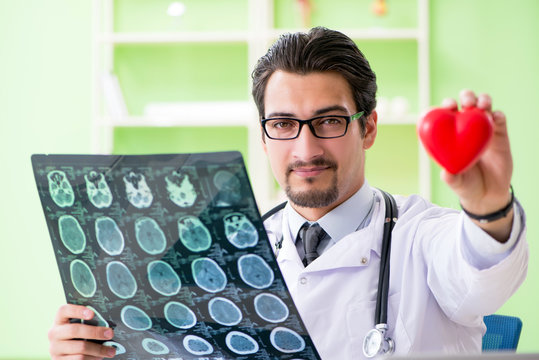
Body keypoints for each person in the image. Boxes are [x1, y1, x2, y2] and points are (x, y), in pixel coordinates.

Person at [48, 27, 528, 359]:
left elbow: (479, 273)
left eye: (329, 121)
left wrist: (488, 205)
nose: (306, 148)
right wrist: (95, 349)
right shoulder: (216, 252)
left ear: (369, 128)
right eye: (283, 124)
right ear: (263, 135)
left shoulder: (424, 235)